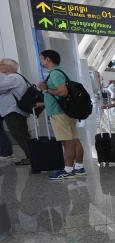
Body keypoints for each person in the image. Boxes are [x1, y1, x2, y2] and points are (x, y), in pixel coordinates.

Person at [36, 49, 85, 180]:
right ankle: (79, 167)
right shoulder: (60, 71)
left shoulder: (55, 73)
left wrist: (46, 89)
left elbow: (62, 92)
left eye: (42, 58)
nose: (40, 61)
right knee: (74, 140)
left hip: (59, 113)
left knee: (67, 142)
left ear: (48, 59)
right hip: (66, 111)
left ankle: (68, 170)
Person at [0, 58, 32, 166]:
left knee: (19, 134)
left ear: (9, 67)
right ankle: (30, 156)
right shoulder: (13, 78)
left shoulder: (13, 77)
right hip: (14, 111)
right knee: (21, 134)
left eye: (1, 64)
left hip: (13, 111)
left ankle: (32, 157)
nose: (0, 66)